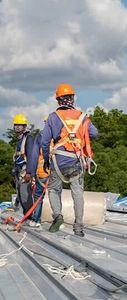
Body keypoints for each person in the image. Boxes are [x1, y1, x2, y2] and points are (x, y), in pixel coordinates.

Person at [41, 83, 98, 237]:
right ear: (72, 98)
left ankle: (58, 216)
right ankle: (78, 226)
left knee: (53, 189)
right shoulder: (82, 116)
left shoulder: (53, 118)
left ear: (58, 101)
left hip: (58, 161)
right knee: (77, 193)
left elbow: (44, 141)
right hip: (77, 160)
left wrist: (46, 159)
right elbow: (94, 133)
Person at [11, 114, 38, 220]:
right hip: (18, 171)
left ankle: (31, 217)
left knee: (25, 195)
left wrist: (29, 172)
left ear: (24, 127)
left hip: (25, 171)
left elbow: (31, 156)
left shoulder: (28, 139)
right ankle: (27, 216)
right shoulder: (19, 140)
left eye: (20, 125)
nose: (17, 127)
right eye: (16, 125)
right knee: (20, 195)